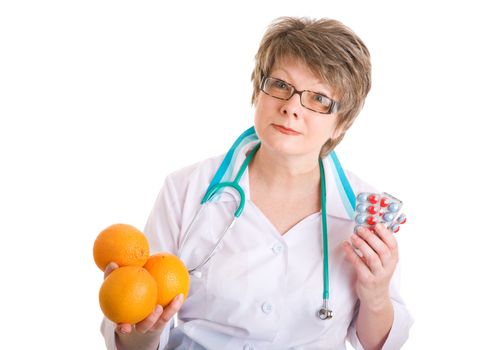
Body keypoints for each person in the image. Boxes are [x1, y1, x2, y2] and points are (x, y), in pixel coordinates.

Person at [101, 16, 413, 350]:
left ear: (342, 123)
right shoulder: (186, 190)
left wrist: (377, 297)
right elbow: (138, 336)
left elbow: (378, 343)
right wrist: (144, 331)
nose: (291, 107)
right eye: (281, 85)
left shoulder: (364, 212)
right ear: (258, 91)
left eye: (319, 99)